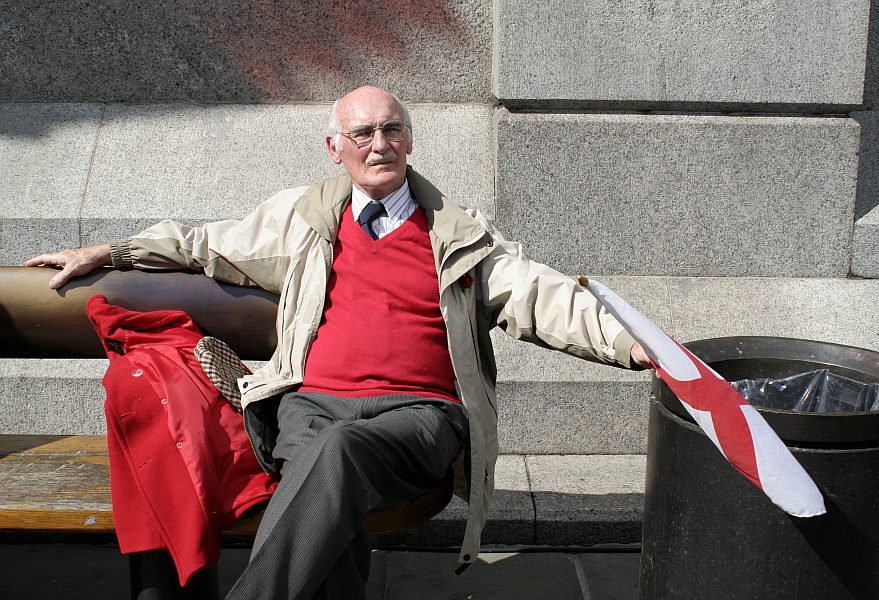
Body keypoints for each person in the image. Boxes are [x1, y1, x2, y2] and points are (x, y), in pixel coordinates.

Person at [26, 86, 651, 599]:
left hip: (418, 418)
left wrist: (636, 342)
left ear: (409, 139)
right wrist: (111, 250)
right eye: (363, 134)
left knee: (335, 455)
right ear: (335, 148)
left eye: (392, 130)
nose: (379, 145)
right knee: (328, 480)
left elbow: (542, 296)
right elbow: (205, 242)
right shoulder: (307, 219)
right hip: (312, 403)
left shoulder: (457, 236)